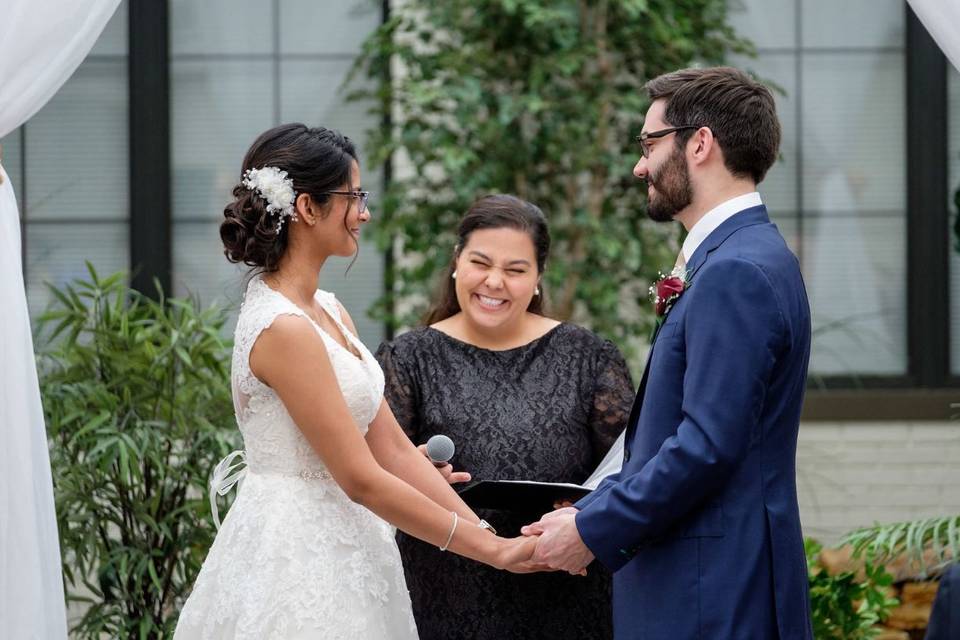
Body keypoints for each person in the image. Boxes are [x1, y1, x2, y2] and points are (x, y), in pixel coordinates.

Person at [173, 124, 539, 639]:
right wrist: (494, 553)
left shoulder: (327, 309)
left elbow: (389, 447)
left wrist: (485, 533)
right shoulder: (283, 328)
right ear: (306, 207)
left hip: (354, 548)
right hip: (297, 558)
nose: (364, 213)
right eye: (354, 196)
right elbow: (361, 477)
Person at [523, 66, 815, 639]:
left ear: (699, 143)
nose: (639, 165)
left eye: (649, 143)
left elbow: (706, 447)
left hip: (711, 592)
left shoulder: (735, 271)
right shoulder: (744, 255)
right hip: (713, 580)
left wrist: (592, 529)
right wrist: (589, 508)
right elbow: (671, 435)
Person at [375, 194, 634, 640]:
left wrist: (587, 509)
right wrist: (416, 467)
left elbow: (630, 467)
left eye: (515, 270)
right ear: (457, 262)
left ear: (537, 279)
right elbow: (375, 473)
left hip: (563, 585)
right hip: (445, 589)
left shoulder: (588, 357)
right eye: (480, 263)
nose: (494, 282)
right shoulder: (407, 358)